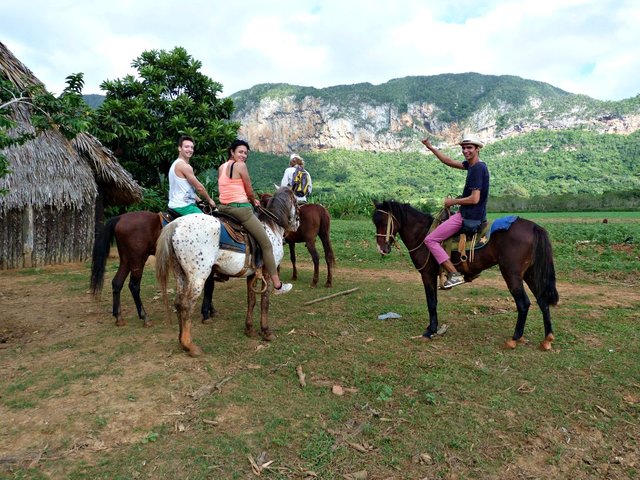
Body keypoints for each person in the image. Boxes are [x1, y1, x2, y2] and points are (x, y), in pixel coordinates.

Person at [217, 139, 293, 295]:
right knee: (266, 244)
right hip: (241, 210)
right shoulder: (240, 166)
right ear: (232, 152)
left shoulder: (221, 167)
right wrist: (253, 201)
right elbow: (249, 190)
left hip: (223, 208)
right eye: (240, 152)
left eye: (245, 153)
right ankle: (278, 285)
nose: (243, 155)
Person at [421, 135, 490, 289]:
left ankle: (454, 274)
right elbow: (449, 162)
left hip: (467, 215)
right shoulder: (474, 165)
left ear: (477, 149)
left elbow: (474, 199)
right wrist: (431, 147)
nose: (465, 151)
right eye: (463, 148)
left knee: (430, 240)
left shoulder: (477, 169)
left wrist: (453, 202)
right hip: (475, 213)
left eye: (469, 148)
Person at [168, 135, 216, 215]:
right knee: (209, 222)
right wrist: (210, 200)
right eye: (186, 147)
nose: (190, 150)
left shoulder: (175, 164)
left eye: (192, 147)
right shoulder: (184, 166)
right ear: (179, 148)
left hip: (176, 205)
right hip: (184, 207)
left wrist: (199, 200)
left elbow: (185, 189)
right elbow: (199, 187)